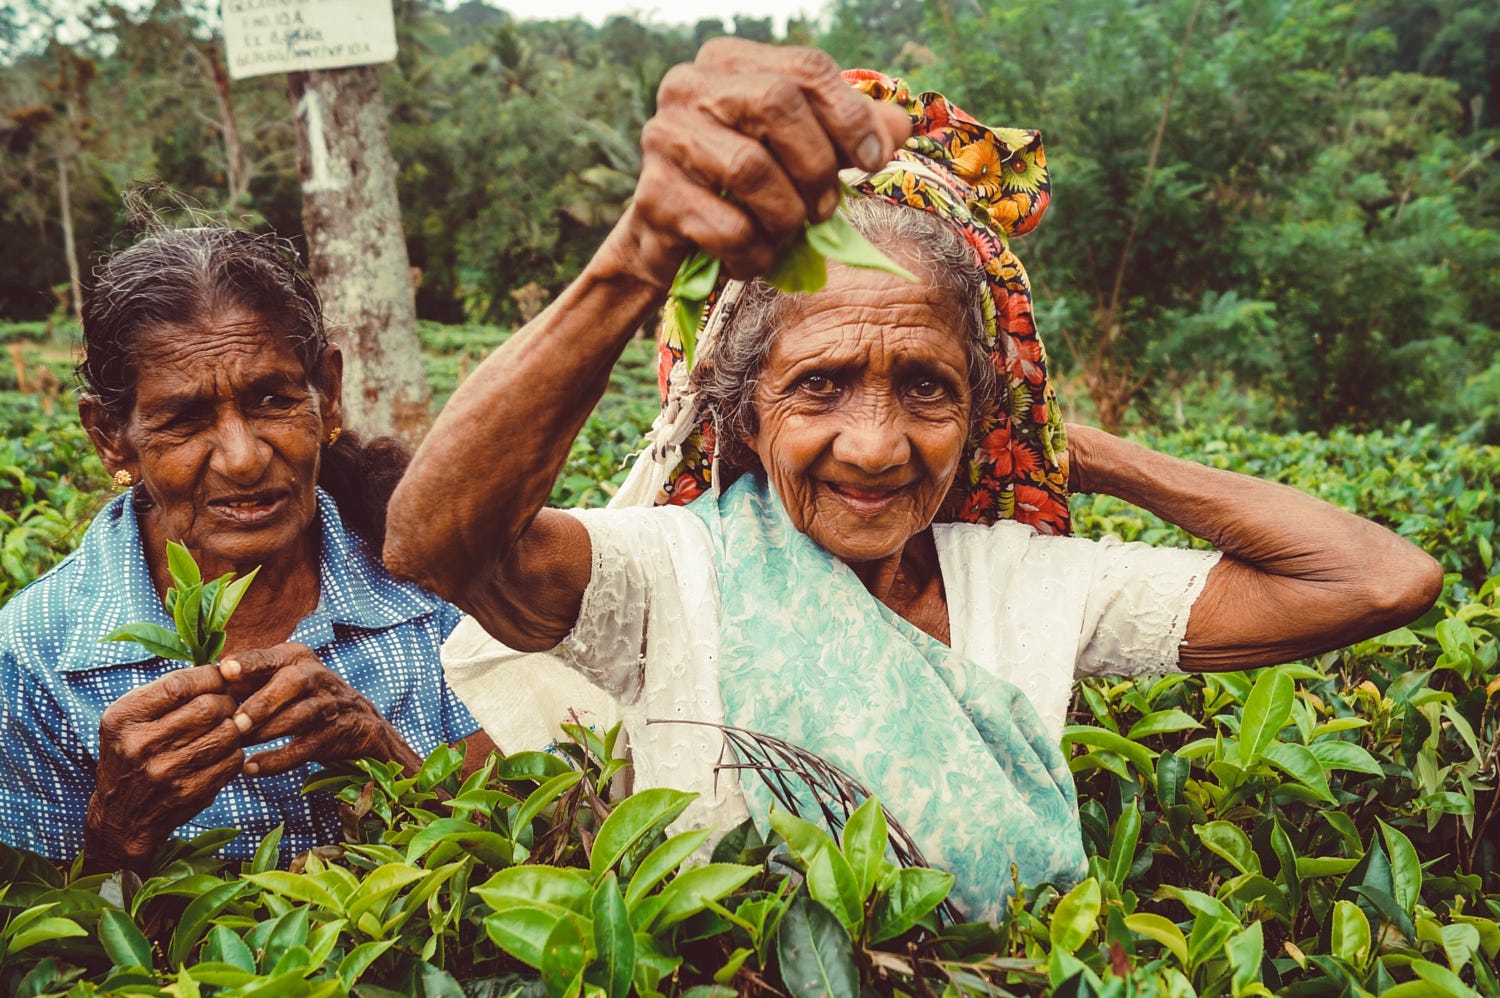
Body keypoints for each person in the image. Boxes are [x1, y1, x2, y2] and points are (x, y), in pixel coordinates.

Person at [385, 41, 1442, 921]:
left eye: (929, 388)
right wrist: (642, 248)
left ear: (983, 411)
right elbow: (437, 543)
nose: (878, 445)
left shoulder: (1029, 581)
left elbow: (1379, 582)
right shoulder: (671, 573)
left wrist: (1077, 443)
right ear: (744, 410)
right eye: (824, 384)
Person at [0, 224, 492, 874]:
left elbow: (528, 856)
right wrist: (117, 832)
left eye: (273, 401)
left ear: (328, 391)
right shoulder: (33, 656)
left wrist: (381, 750)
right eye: (184, 419)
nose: (243, 457)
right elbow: (39, 957)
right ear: (111, 439)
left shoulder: (434, 587)